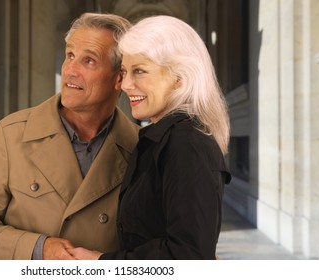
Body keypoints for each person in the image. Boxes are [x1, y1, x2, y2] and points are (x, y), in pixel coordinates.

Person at [0, 13, 139, 260]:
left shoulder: (140, 146)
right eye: (70, 55)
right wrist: (39, 249)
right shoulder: (11, 134)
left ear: (119, 78)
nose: (70, 70)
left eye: (89, 61)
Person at [68, 15, 231, 260]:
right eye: (125, 71)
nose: (126, 84)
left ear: (180, 78)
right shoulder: (166, 139)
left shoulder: (187, 144)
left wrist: (101, 263)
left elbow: (189, 256)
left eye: (140, 71)